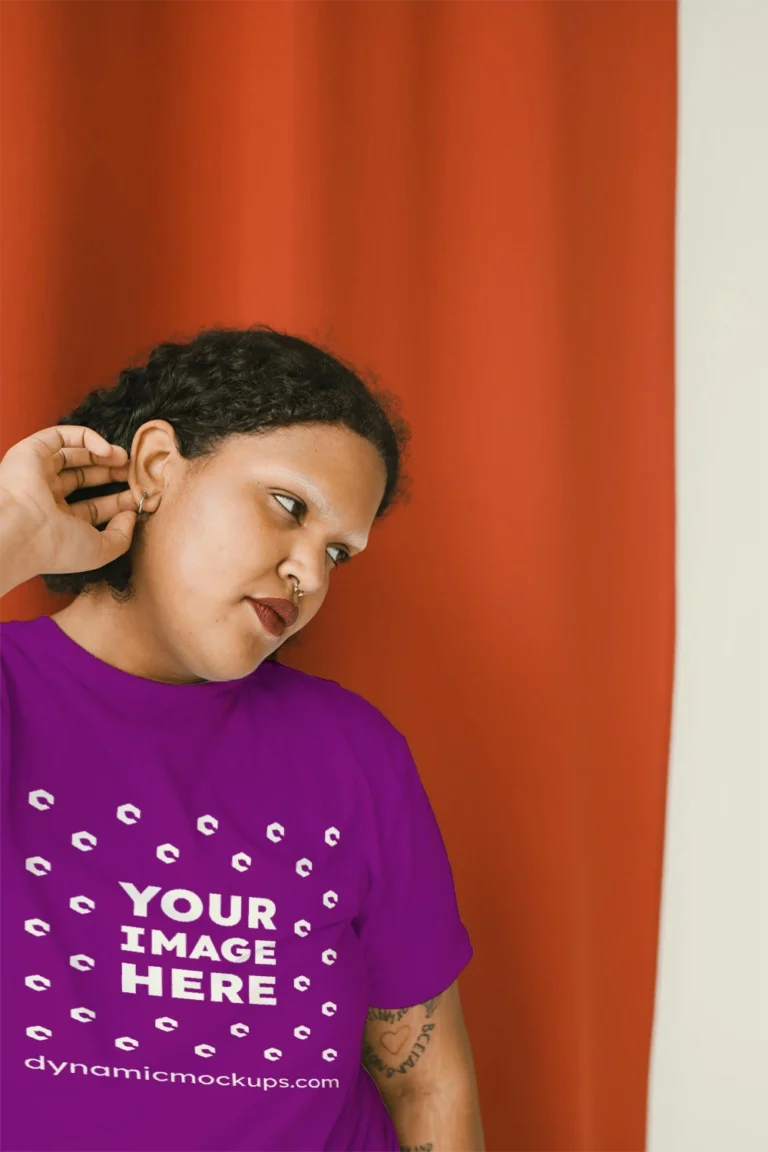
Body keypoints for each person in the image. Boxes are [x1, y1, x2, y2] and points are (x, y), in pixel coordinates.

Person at [0, 327, 483, 1152]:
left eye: (338, 552)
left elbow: (428, 1079)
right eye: (288, 507)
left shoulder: (354, 752)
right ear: (157, 467)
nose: (311, 575)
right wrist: (13, 525)